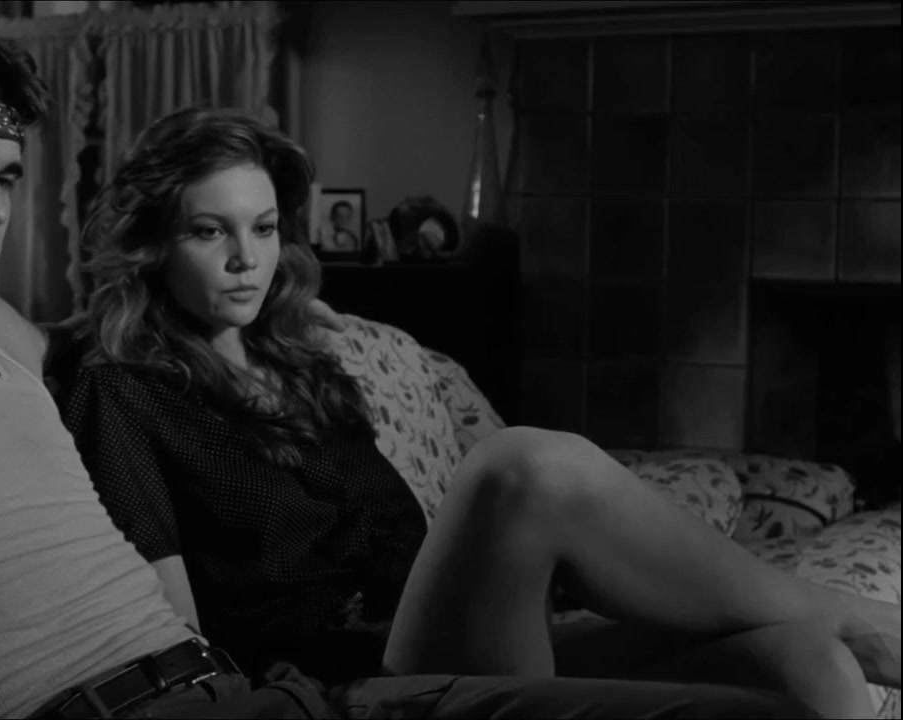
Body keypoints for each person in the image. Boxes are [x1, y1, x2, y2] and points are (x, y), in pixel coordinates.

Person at [0, 8, 828, 720]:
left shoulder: (2, 336)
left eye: (7, 174)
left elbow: (135, 354)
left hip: (257, 694)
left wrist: (261, 315)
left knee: (764, 703)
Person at [54, 106, 901, 719]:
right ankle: (856, 616)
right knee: (518, 467)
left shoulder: (302, 360)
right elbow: (175, 635)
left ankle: (833, 627)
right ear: (153, 243)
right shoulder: (120, 389)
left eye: (265, 228)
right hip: (343, 684)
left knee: (807, 666)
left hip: (450, 634)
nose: (248, 259)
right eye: (210, 232)